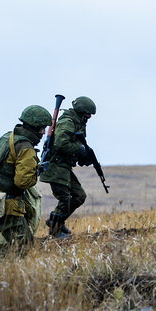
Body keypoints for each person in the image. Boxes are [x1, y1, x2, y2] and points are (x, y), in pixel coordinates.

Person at [0, 105, 52, 255]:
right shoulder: (26, 147)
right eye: (42, 128)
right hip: (6, 205)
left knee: (10, 244)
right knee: (23, 246)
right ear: (35, 127)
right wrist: (37, 170)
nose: (43, 133)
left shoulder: (8, 137)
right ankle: (6, 276)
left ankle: (0, 270)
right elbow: (23, 182)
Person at [38, 96, 97, 237]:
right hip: (55, 166)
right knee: (64, 199)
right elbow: (61, 144)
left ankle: (58, 220)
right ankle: (55, 229)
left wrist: (84, 158)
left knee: (79, 196)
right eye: (88, 113)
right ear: (81, 111)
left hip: (64, 167)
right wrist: (80, 150)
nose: (89, 116)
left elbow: (76, 145)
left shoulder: (79, 123)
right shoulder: (67, 122)